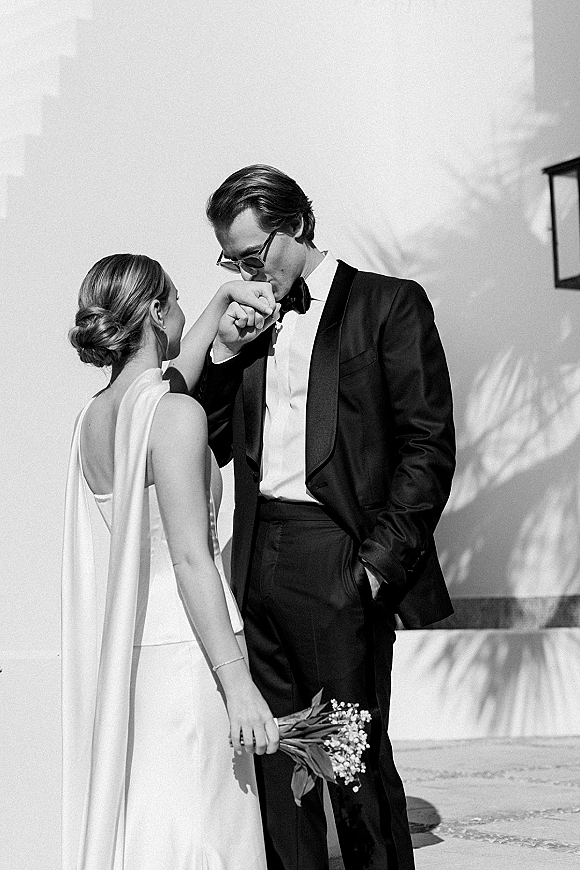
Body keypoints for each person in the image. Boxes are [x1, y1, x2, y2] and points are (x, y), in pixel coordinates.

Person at [196, 165, 456, 870]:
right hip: (259, 556)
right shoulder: (252, 321)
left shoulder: (389, 304)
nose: (247, 272)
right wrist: (227, 350)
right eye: (232, 261)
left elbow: (427, 447)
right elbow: (210, 439)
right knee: (279, 767)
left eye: (254, 255)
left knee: (351, 765)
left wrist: (374, 569)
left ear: (298, 226)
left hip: (341, 558)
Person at [62, 253, 280, 870]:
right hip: (192, 646)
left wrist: (218, 303)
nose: (186, 314)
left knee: (155, 816)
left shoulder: (95, 419)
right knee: (206, 827)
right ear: (157, 312)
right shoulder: (175, 416)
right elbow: (190, 559)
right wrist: (238, 684)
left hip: (133, 649)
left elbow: (165, 384)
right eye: (178, 302)